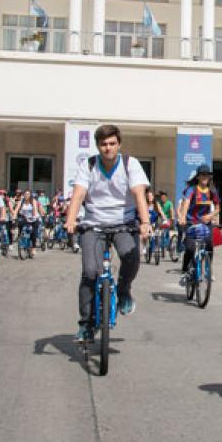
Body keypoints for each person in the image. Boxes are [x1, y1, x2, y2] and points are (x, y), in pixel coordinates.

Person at [65, 124, 151, 342]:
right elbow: (78, 195)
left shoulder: (130, 164)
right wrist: (70, 220)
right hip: (93, 224)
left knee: (131, 256)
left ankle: (123, 291)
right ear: (97, 146)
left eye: (112, 143)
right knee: (90, 272)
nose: (108, 148)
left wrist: (145, 222)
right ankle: (86, 325)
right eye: (103, 144)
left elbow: (139, 194)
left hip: (124, 223)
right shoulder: (89, 164)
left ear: (119, 144)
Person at [177, 164, 220, 286]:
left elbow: (217, 208)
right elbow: (186, 204)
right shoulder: (192, 189)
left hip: (205, 223)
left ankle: (208, 269)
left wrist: (211, 216)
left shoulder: (212, 191)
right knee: (190, 248)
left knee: (210, 244)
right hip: (191, 222)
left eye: (207, 175)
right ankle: (185, 271)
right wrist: (183, 217)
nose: (205, 177)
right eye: (202, 175)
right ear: (198, 177)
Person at [11, 191, 42, 256]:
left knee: (33, 233)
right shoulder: (21, 201)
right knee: (20, 225)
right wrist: (14, 216)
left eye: (28, 194)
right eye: (25, 194)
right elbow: (16, 210)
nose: (26, 195)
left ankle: (33, 248)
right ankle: (21, 240)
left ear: (30, 195)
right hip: (24, 218)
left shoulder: (33, 201)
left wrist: (34, 215)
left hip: (33, 218)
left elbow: (35, 210)